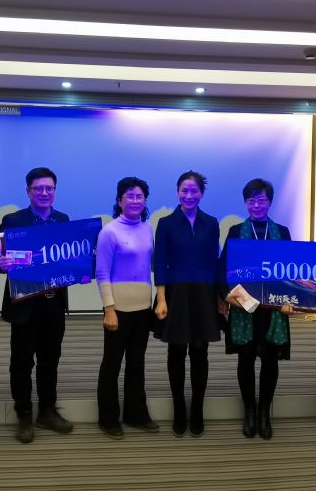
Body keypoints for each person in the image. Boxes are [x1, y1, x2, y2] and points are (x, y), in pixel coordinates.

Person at [0, 167, 74, 444]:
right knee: (21, 362)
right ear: (28, 191)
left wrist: (79, 268)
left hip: (53, 304)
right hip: (24, 304)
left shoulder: (63, 220)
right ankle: (24, 414)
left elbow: (69, 259)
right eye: (38, 188)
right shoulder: (12, 221)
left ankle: (47, 411)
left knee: (50, 359)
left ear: (55, 191)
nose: (44, 193)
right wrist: (2, 262)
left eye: (49, 188)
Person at [217, 179, 293, 440]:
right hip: (244, 308)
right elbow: (223, 268)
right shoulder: (236, 231)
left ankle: (264, 412)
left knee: (270, 360)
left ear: (270, 202)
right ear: (245, 203)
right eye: (252, 200)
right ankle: (249, 410)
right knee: (246, 359)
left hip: (273, 310)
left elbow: (291, 272)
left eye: (262, 200)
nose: (257, 205)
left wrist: (292, 298)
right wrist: (227, 295)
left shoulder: (282, 232)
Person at [154, 170, 221, 437]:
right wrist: (161, 299)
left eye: (194, 190)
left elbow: (214, 261)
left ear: (201, 194)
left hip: (204, 293)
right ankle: (179, 407)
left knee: (200, 351)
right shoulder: (166, 223)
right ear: (177, 192)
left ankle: (197, 408)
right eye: (184, 190)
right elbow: (160, 262)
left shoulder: (211, 223)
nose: (189, 195)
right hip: (176, 294)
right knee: (177, 350)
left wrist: (220, 298)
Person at [95, 177, 159, 439]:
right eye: (129, 196)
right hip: (118, 309)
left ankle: (136, 413)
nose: (135, 200)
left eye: (139, 196)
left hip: (143, 307)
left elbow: (152, 266)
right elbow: (102, 273)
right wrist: (109, 309)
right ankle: (108, 418)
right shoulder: (109, 232)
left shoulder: (147, 228)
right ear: (119, 200)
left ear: (145, 200)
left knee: (136, 362)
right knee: (112, 364)